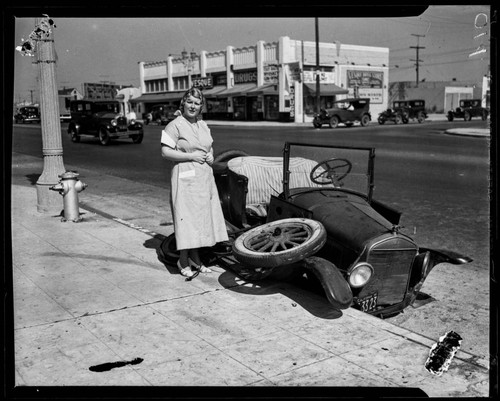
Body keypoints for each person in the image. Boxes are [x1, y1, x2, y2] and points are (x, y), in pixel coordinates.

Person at [160, 87, 228, 278]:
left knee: (201, 218)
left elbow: (209, 146)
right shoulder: (174, 125)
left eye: (197, 103)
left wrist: (211, 156)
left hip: (204, 177)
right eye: (190, 102)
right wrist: (190, 155)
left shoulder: (203, 125)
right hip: (185, 176)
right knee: (187, 219)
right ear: (183, 102)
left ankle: (196, 258)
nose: (193, 106)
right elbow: (165, 152)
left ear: (201, 107)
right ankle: (182, 259)